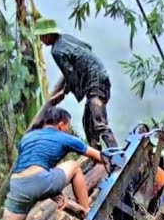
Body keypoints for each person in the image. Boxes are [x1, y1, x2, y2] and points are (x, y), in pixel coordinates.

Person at [1, 106, 105, 220]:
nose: (68, 130)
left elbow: (32, 166)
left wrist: (52, 193)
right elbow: (98, 157)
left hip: (17, 186)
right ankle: (86, 214)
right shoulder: (65, 138)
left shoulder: (27, 138)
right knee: (74, 166)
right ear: (61, 125)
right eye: (68, 126)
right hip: (40, 181)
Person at [33, 18, 118, 149]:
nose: (41, 40)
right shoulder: (66, 38)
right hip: (101, 77)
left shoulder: (57, 51)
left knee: (99, 123)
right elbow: (87, 47)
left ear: (49, 35)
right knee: (88, 123)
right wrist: (66, 89)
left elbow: (71, 75)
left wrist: (65, 91)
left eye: (42, 36)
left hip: (94, 83)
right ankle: (97, 155)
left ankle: (117, 155)